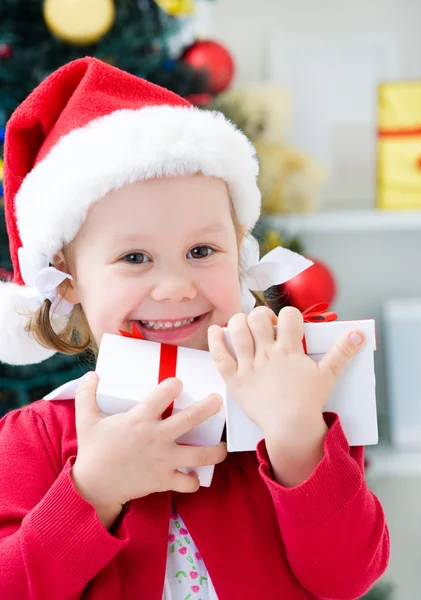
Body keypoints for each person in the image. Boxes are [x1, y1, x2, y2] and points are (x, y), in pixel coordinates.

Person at [0, 57, 389, 600]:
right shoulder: (34, 439)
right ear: (66, 281)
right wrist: (92, 492)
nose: (176, 287)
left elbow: (347, 578)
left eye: (201, 251)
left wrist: (299, 440)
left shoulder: (296, 408)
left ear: (240, 254)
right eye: (135, 257)